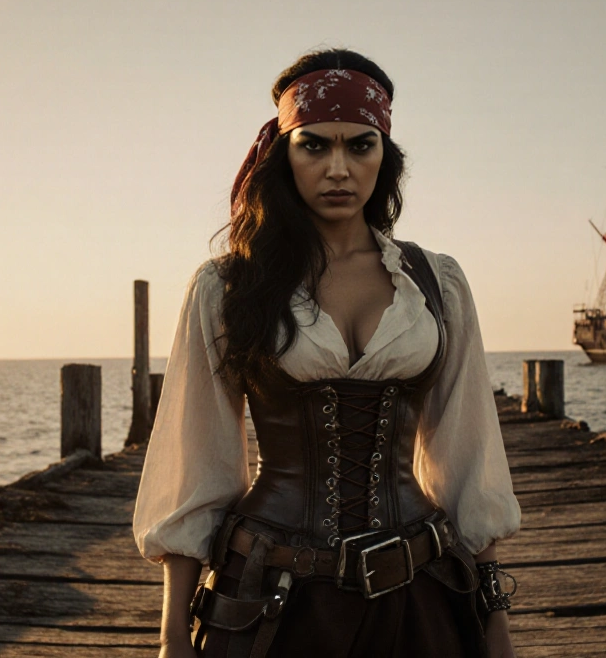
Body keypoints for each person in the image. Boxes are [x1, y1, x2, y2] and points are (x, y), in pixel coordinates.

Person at [133, 48, 521, 658]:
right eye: (314, 145)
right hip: (272, 593)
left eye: (359, 145)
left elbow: (470, 457)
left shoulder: (436, 282)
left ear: (384, 156)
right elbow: (196, 462)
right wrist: (172, 634)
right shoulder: (229, 286)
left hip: (419, 591)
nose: (338, 168)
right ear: (283, 154)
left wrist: (495, 618)